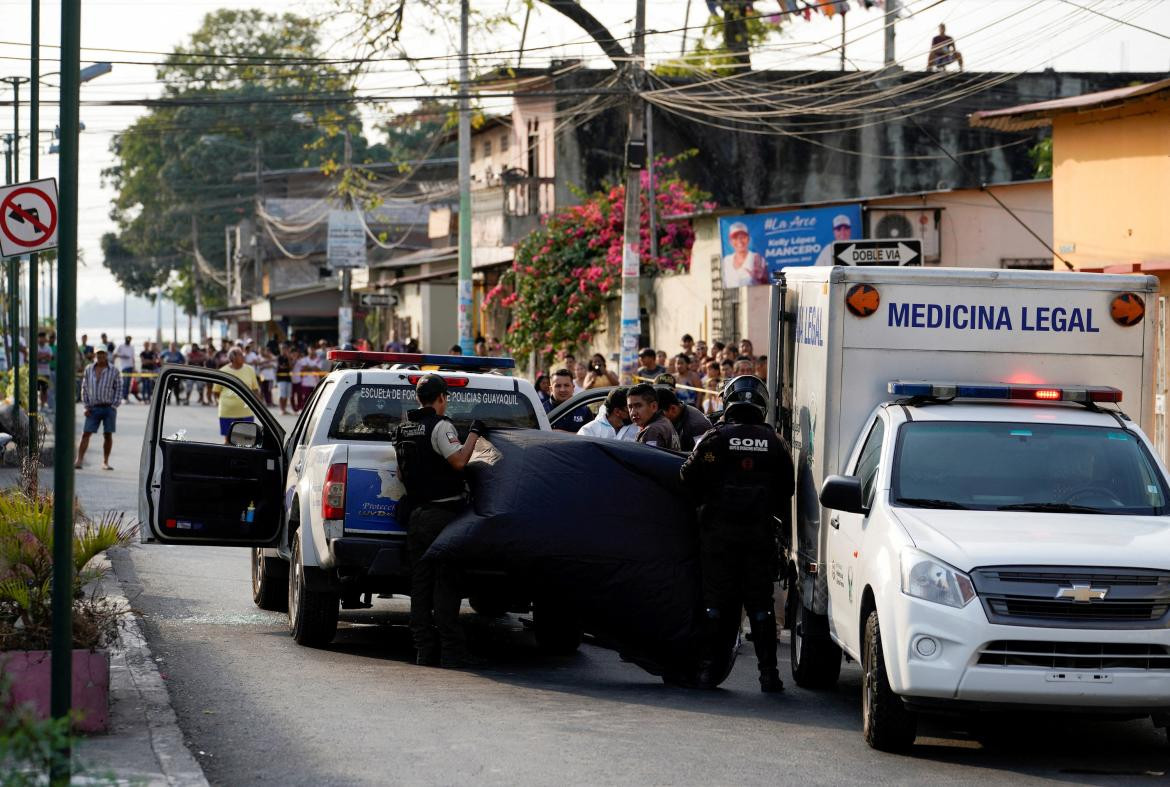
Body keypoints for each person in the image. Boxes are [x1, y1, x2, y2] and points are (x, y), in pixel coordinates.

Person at [679, 375, 795, 693]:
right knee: (761, 606)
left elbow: (687, 476)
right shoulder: (775, 442)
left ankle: (706, 671)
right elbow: (789, 487)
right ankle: (769, 675)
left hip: (718, 537)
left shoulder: (714, 438)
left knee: (713, 604)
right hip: (759, 538)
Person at [395, 373, 485, 668]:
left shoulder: (403, 427)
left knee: (420, 586)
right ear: (442, 398)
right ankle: (451, 653)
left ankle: (424, 650)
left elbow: (401, 473)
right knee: (445, 584)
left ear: (417, 398)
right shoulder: (441, 426)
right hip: (442, 517)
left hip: (416, 517)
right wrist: (474, 433)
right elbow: (459, 462)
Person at [75, 348, 121, 471]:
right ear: (95, 355)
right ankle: (79, 460)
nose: (100, 356)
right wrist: (86, 406)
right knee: (86, 433)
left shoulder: (114, 370)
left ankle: (105, 462)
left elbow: (118, 388)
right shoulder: (89, 369)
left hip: (108, 407)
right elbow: (84, 388)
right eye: (98, 354)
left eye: (102, 354)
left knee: (108, 435)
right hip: (93, 408)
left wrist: (114, 405)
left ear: (106, 355)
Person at [211, 348, 261, 444]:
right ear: (232, 358)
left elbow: (255, 389)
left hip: (246, 412)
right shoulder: (223, 371)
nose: (243, 356)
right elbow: (216, 391)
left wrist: (257, 403)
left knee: (246, 440)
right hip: (227, 412)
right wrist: (226, 402)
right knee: (228, 440)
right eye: (240, 355)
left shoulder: (249, 370)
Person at [658, 386, 713, 452]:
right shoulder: (679, 413)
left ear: (673, 409)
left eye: (660, 415)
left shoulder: (696, 426)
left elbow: (703, 455)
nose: (657, 419)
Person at [627, 383, 680, 450]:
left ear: (654, 407)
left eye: (638, 406)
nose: (633, 412)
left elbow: (649, 459)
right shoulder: (665, 421)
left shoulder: (652, 430)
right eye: (630, 407)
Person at [722, 222, 768, 286]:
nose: (740, 241)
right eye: (735, 238)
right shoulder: (726, 261)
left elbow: (765, 285)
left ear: (748, 239)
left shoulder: (757, 259)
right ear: (730, 241)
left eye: (743, 237)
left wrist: (759, 279)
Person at [113, 336, 135, 404]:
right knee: (124, 383)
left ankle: (126, 397)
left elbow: (132, 357)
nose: (128, 341)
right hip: (124, 366)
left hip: (130, 366)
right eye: (127, 339)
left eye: (129, 340)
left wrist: (134, 367)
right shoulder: (121, 346)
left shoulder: (132, 347)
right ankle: (123, 397)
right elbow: (115, 354)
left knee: (128, 383)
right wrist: (123, 356)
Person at [35, 332, 53, 408]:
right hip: (37, 372)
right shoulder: (35, 347)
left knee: (44, 390)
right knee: (36, 389)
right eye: (40, 337)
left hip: (46, 372)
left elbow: (50, 358)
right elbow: (36, 357)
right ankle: (37, 406)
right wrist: (44, 356)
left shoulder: (48, 347)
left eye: (43, 337)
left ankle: (43, 405)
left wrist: (40, 356)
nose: (42, 339)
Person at [276, 344, 293, 414]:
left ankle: (284, 409)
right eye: (283, 348)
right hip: (281, 379)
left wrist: (289, 358)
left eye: (285, 349)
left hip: (288, 378)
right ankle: (281, 409)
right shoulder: (279, 357)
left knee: (286, 395)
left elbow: (291, 367)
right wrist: (286, 367)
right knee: (281, 395)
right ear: (280, 349)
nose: (284, 350)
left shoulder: (288, 357)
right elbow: (281, 367)